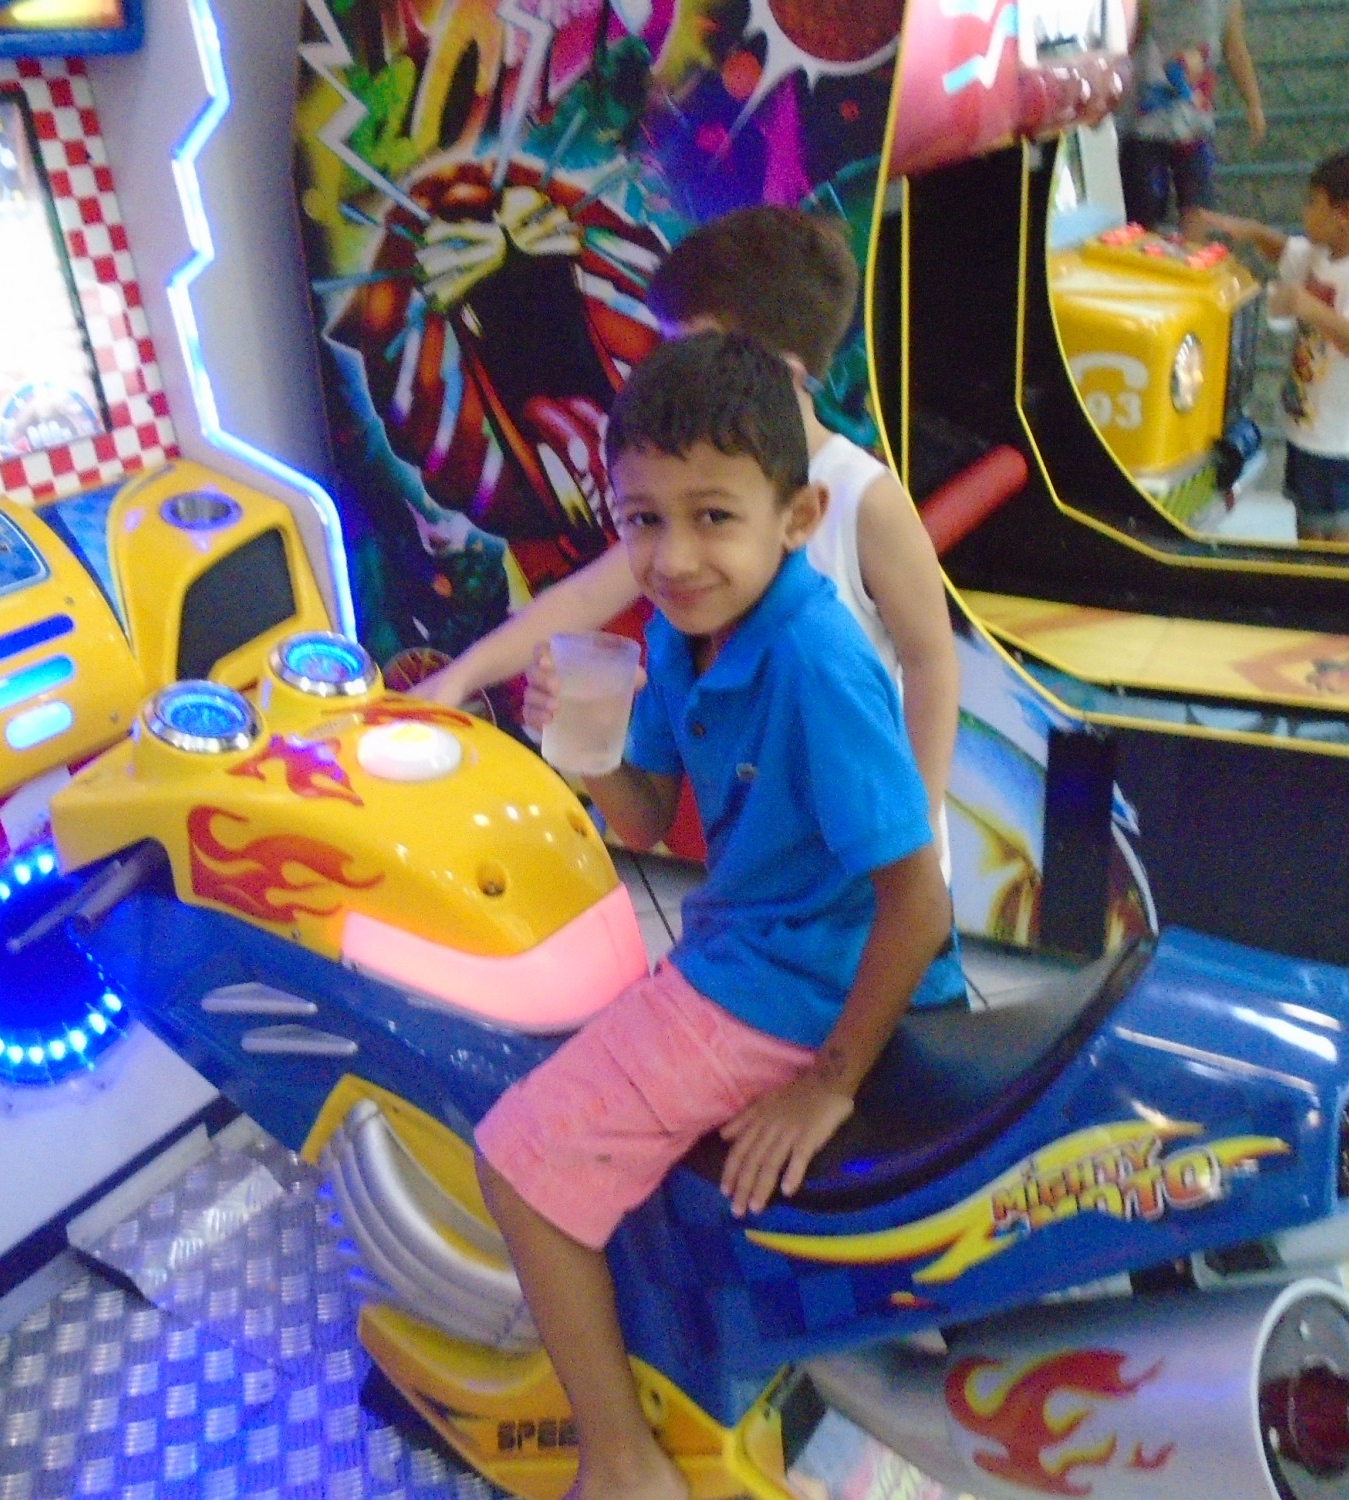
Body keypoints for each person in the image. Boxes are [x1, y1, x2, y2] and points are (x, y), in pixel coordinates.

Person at [473, 332, 951, 1500]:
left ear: (796, 519)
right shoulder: (684, 636)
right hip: (749, 949)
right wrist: (578, 748)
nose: (673, 556)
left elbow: (919, 904)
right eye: (642, 520)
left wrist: (828, 1081)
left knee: (518, 1160)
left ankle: (621, 1465)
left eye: (711, 518)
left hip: (793, 981)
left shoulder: (813, 659)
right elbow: (643, 819)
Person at [416, 204, 959, 876]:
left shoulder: (863, 499)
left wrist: (915, 833)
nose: (670, 374)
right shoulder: (683, 511)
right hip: (760, 870)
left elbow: (930, 662)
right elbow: (582, 598)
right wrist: (460, 678)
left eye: (691, 352)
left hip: (868, 866)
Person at [1197, 147, 1349, 545]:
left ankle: (1336, 579)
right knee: (1309, 513)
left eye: (1313, 203)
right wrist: (1253, 232)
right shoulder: (1324, 253)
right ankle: (1312, 568)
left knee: (1332, 518)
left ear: (1345, 214)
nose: (1304, 212)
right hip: (1311, 417)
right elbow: (1287, 251)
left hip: (1336, 433)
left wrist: (1309, 307)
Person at [1119, 0, 1266, 238]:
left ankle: (1193, 250)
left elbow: (1235, 49)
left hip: (1196, 124)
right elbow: (1129, 39)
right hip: (1145, 123)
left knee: (1197, 202)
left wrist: (1254, 103)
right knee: (1143, 207)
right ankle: (1145, 252)